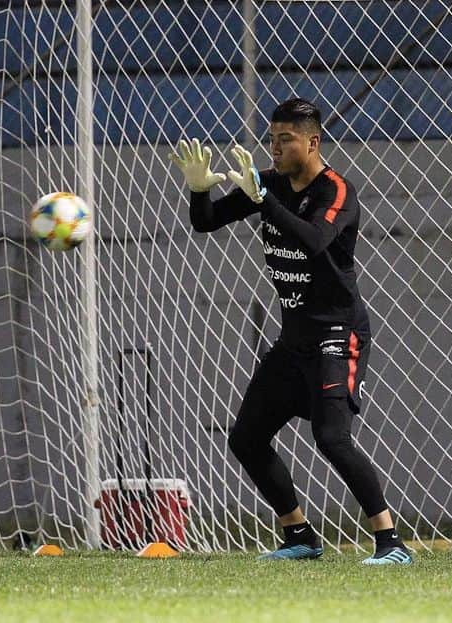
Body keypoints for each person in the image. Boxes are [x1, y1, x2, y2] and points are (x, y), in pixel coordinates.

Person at [169, 97, 411, 565]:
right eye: (272, 139)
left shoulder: (338, 190)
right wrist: (199, 190)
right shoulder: (268, 184)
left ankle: (391, 543)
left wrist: (265, 204)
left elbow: (316, 240)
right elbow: (206, 223)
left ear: (312, 142)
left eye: (286, 140)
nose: (275, 148)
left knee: (331, 437)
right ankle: (299, 535)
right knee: (246, 438)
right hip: (294, 337)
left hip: (337, 332)